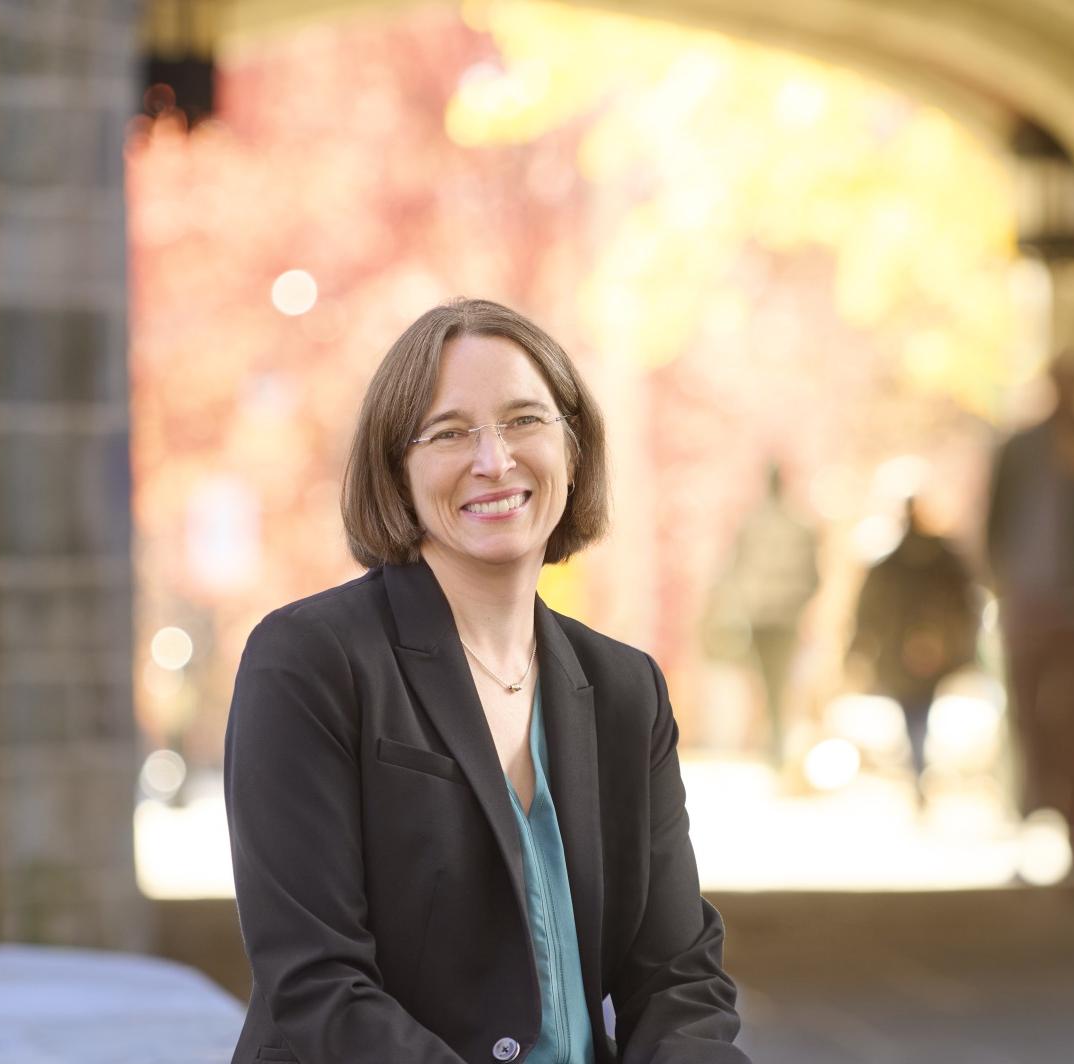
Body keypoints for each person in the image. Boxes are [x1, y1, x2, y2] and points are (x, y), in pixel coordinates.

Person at [224, 299, 750, 1063]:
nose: (495, 460)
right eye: (449, 432)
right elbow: (317, 983)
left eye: (525, 420)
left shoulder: (625, 689)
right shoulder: (308, 663)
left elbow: (678, 977)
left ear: (573, 447)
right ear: (395, 468)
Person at [985, 351, 1074, 882]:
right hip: (1028, 607)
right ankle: (1026, 839)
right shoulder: (1020, 448)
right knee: (1030, 724)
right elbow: (995, 522)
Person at [849, 496, 978, 806]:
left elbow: (964, 604)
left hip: (924, 653)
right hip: (905, 652)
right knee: (914, 713)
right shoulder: (901, 562)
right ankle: (918, 768)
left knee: (916, 713)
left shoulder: (939, 560)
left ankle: (919, 768)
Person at [717, 464, 819, 769]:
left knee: (767, 680)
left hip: (762, 616)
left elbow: (734, 570)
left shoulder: (752, 525)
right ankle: (775, 741)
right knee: (778, 680)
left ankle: (774, 742)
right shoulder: (800, 526)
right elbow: (814, 576)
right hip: (785, 617)